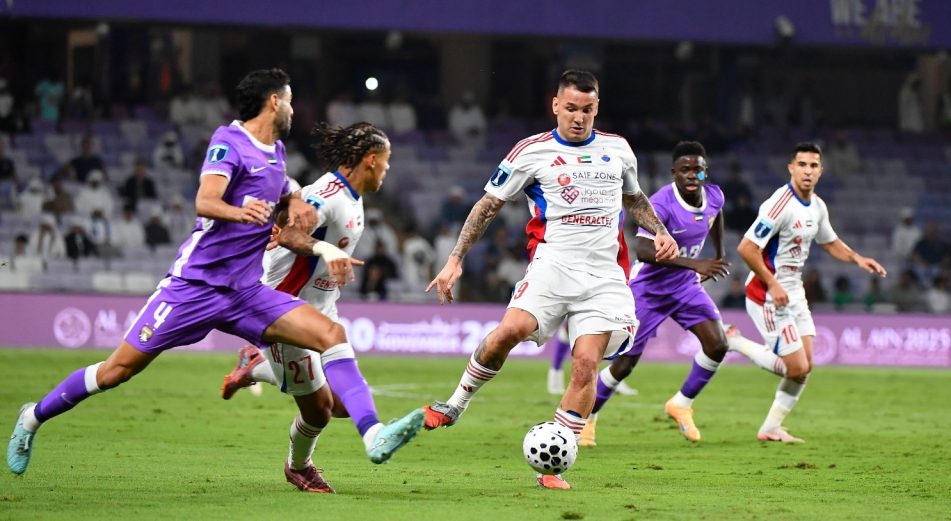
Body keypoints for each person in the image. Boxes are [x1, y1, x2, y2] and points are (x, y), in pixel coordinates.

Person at [6, 69, 421, 479]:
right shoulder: (229, 141)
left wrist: (293, 199)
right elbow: (205, 201)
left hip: (246, 292)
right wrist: (241, 212)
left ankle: (374, 435)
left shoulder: (276, 151)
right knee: (117, 371)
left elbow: (281, 190)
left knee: (331, 334)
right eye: (290, 101)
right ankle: (31, 418)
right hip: (195, 287)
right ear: (273, 101)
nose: (294, 110)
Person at [420, 70, 678, 489]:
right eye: (571, 108)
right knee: (507, 333)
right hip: (552, 266)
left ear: (597, 108)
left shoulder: (618, 149)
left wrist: (660, 231)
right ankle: (456, 403)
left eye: (587, 110)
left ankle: (552, 465)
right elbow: (487, 206)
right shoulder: (531, 151)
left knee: (586, 364)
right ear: (556, 105)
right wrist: (454, 259)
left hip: (604, 276)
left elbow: (633, 198)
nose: (579, 117)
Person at [219, 121, 423, 493]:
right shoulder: (328, 195)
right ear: (371, 159)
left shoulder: (353, 198)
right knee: (320, 411)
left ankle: (255, 368)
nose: (388, 168)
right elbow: (292, 232)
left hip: (322, 305)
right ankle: (299, 466)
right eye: (387, 160)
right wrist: (324, 248)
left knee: (341, 404)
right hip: (284, 309)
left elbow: (286, 219)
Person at [726, 142, 886, 443]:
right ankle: (733, 341)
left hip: (794, 292)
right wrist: (773, 283)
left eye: (813, 166)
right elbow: (746, 248)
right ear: (791, 168)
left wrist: (857, 258)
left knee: (806, 366)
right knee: (796, 366)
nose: (808, 171)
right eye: (802, 165)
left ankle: (771, 428)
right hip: (767, 294)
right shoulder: (779, 204)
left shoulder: (817, 206)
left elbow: (829, 241)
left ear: (821, 171)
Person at [578, 141, 730, 446]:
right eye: (685, 170)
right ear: (674, 173)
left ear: (706, 172)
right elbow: (645, 251)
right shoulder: (661, 204)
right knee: (624, 364)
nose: (692, 175)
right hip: (649, 289)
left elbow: (715, 217)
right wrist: (696, 263)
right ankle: (585, 418)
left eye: (698, 170)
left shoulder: (714, 195)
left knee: (718, 345)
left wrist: (719, 254)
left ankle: (681, 404)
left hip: (685, 286)